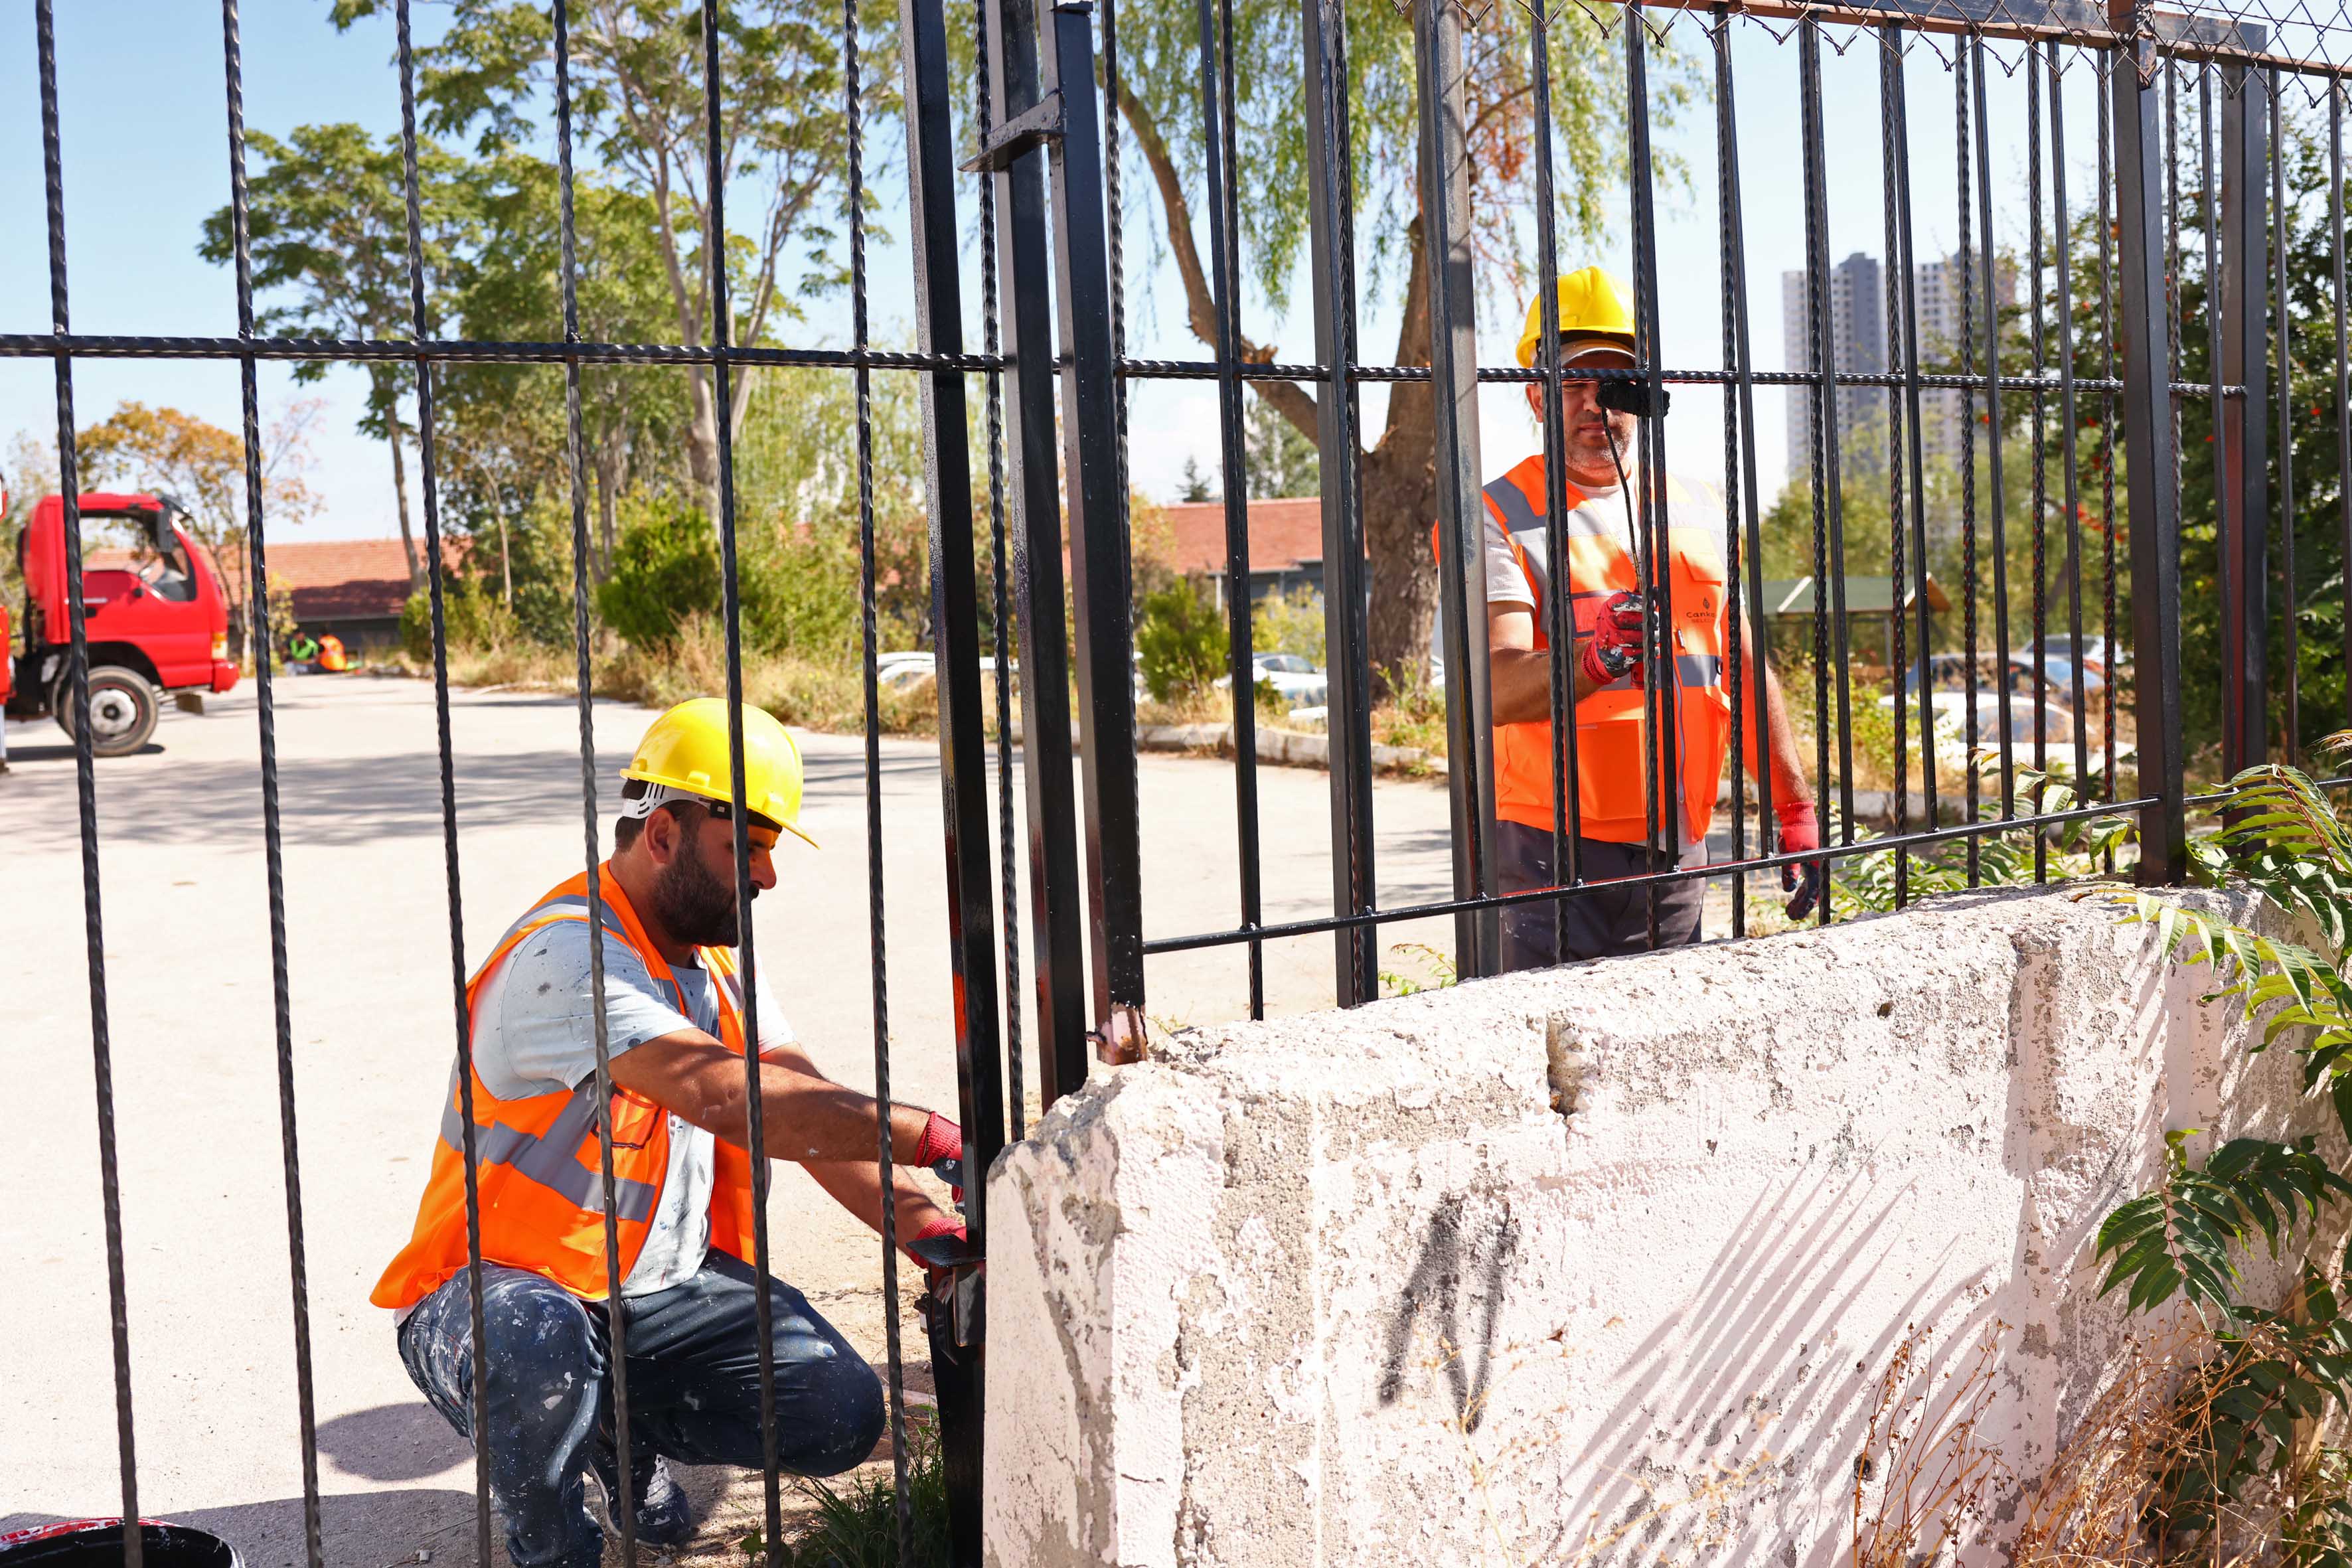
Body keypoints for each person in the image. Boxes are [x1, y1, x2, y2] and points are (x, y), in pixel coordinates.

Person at [373, 698, 967, 1568]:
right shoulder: (565, 957)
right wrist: (933, 1134)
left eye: (767, 850)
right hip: (495, 1295)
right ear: (662, 835)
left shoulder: (711, 964)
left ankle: (617, 1432)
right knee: (536, 1347)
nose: (766, 876)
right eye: (746, 847)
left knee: (837, 1409)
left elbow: (800, 1103)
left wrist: (928, 1231)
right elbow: (728, 1096)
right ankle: (554, 1541)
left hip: (646, 1292)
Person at [1481, 266, 1823, 969]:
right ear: (1536, 400)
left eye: (1610, 382)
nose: (1592, 403)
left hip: (1677, 849)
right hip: (1550, 853)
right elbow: (1499, 688)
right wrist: (1593, 657)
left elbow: (1742, 668)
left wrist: (1794, 808)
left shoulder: (1698, 506)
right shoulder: (1499, 512)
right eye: (1571, 384)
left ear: (1638, 394)